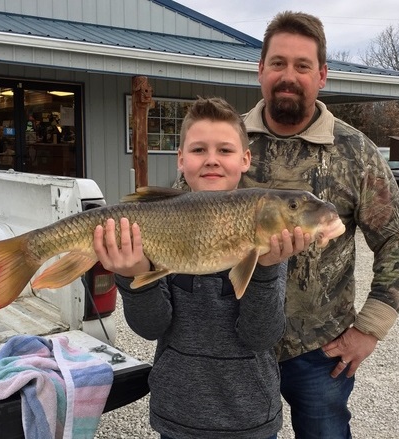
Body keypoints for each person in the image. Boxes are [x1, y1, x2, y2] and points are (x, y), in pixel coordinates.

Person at [240, 11, 399, 439]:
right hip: (236, 344)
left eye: (302, 66)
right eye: (278, 63)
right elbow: (183, 218)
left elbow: (398, 237)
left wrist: (370, 328)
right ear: (260, 69)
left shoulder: (354, 150)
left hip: (320, 351)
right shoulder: (228, 143)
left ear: (322, 75)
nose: (289, 76)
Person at [93, 97, 310, 439]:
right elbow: (151, 327)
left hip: (251, 418)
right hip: (177, 416)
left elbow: (260, 336)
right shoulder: (155, 222)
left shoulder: (267, 234)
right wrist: (135, 273)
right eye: (198, 150)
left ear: (245, 159)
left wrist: (266, 269)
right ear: (181, 160)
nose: (211, 160)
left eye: (224, 150)